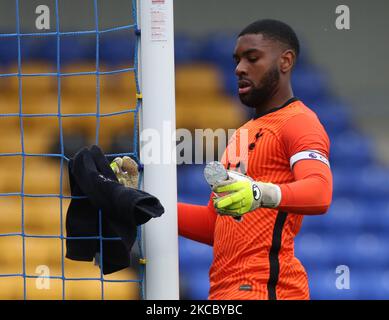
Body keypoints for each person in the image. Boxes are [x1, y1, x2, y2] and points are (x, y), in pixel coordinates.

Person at [177, 19, 333, 300]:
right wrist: (148, 205)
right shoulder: (242, 133)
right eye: (237, 60)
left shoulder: (299, 122)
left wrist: (259, 192)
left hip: (269, 290)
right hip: (225, 292)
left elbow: (320, 192)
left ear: (285, 61)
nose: (239, 68)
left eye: (252, 58)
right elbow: (217, 224)